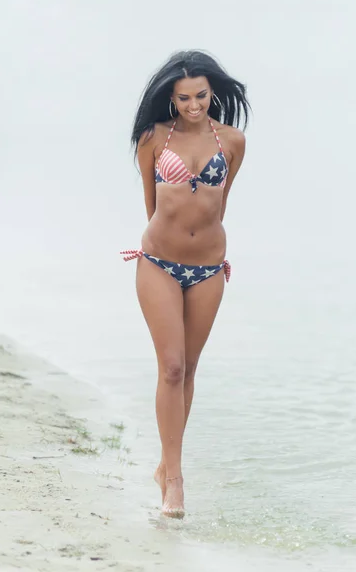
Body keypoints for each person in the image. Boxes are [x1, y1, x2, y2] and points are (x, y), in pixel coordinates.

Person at [121, 50, 249, 518]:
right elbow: (152, 204)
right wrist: (171, 242)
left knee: (190, 370)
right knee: (171, 367)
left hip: (210, 268)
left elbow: (220, 203)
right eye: (182, 98)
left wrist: (204, 248)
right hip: (157, 262)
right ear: (169, 98)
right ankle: (174, 479)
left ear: (212, 92)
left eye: (200, 96)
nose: (193, 105)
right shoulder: (153, 138)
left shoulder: (232, 140)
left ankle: (166, 463)